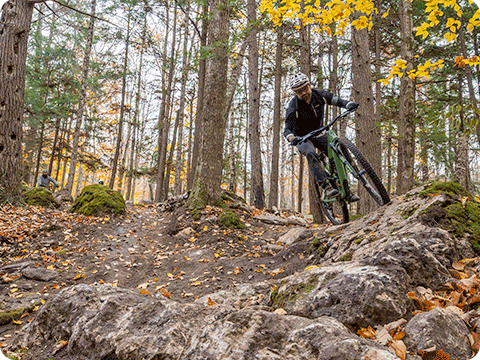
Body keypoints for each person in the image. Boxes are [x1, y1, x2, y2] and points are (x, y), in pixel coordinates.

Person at [284, 72, 359, 200]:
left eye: (305, 88)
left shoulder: (320, 95)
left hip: (319, 133)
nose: (303, 93)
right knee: (310, 153)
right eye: (299, 91)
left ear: (309, 85)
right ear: (295, 92)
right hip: (303, 138)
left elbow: (337, 101)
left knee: (336, 149)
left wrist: (348, 104)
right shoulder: (293, 106)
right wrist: (293, 139)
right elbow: (287, 130)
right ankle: (327, 187)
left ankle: (347, 189)